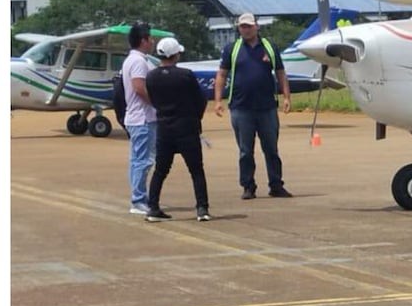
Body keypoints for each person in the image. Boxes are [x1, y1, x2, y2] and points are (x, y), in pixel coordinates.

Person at [213, 12, 292, 200]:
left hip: (267, 108)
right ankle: (248, 186)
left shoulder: (269, 48)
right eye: (242, 26)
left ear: (256, 26)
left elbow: (280, 73)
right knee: (245, 151)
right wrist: (217, 100)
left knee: (271, 149)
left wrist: (286, 97)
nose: (246, 29)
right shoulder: (232, 49)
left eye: (249, 26)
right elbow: (222, 75)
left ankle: (276, 184)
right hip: (241, 107)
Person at [144, 37, 211, 222]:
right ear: (175, 55)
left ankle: (153, 207)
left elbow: (153, 100)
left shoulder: (151, 77)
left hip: (164, 128)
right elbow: (200, 100)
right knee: (196, 170)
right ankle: (202, 208)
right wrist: (195, 117)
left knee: (161, 170)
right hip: (186, 127)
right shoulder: (186, 75)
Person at [121, 22, 157, 214]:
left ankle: (140, 196)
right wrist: (156, 103)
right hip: (142, 118)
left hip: (140, 117)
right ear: (143, 40)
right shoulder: (138, 62)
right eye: (150, 38)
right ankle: (138, 199)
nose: (152, 41)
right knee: (143, 160)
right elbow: (139, 87)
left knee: (139, 159)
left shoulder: (136, 60)